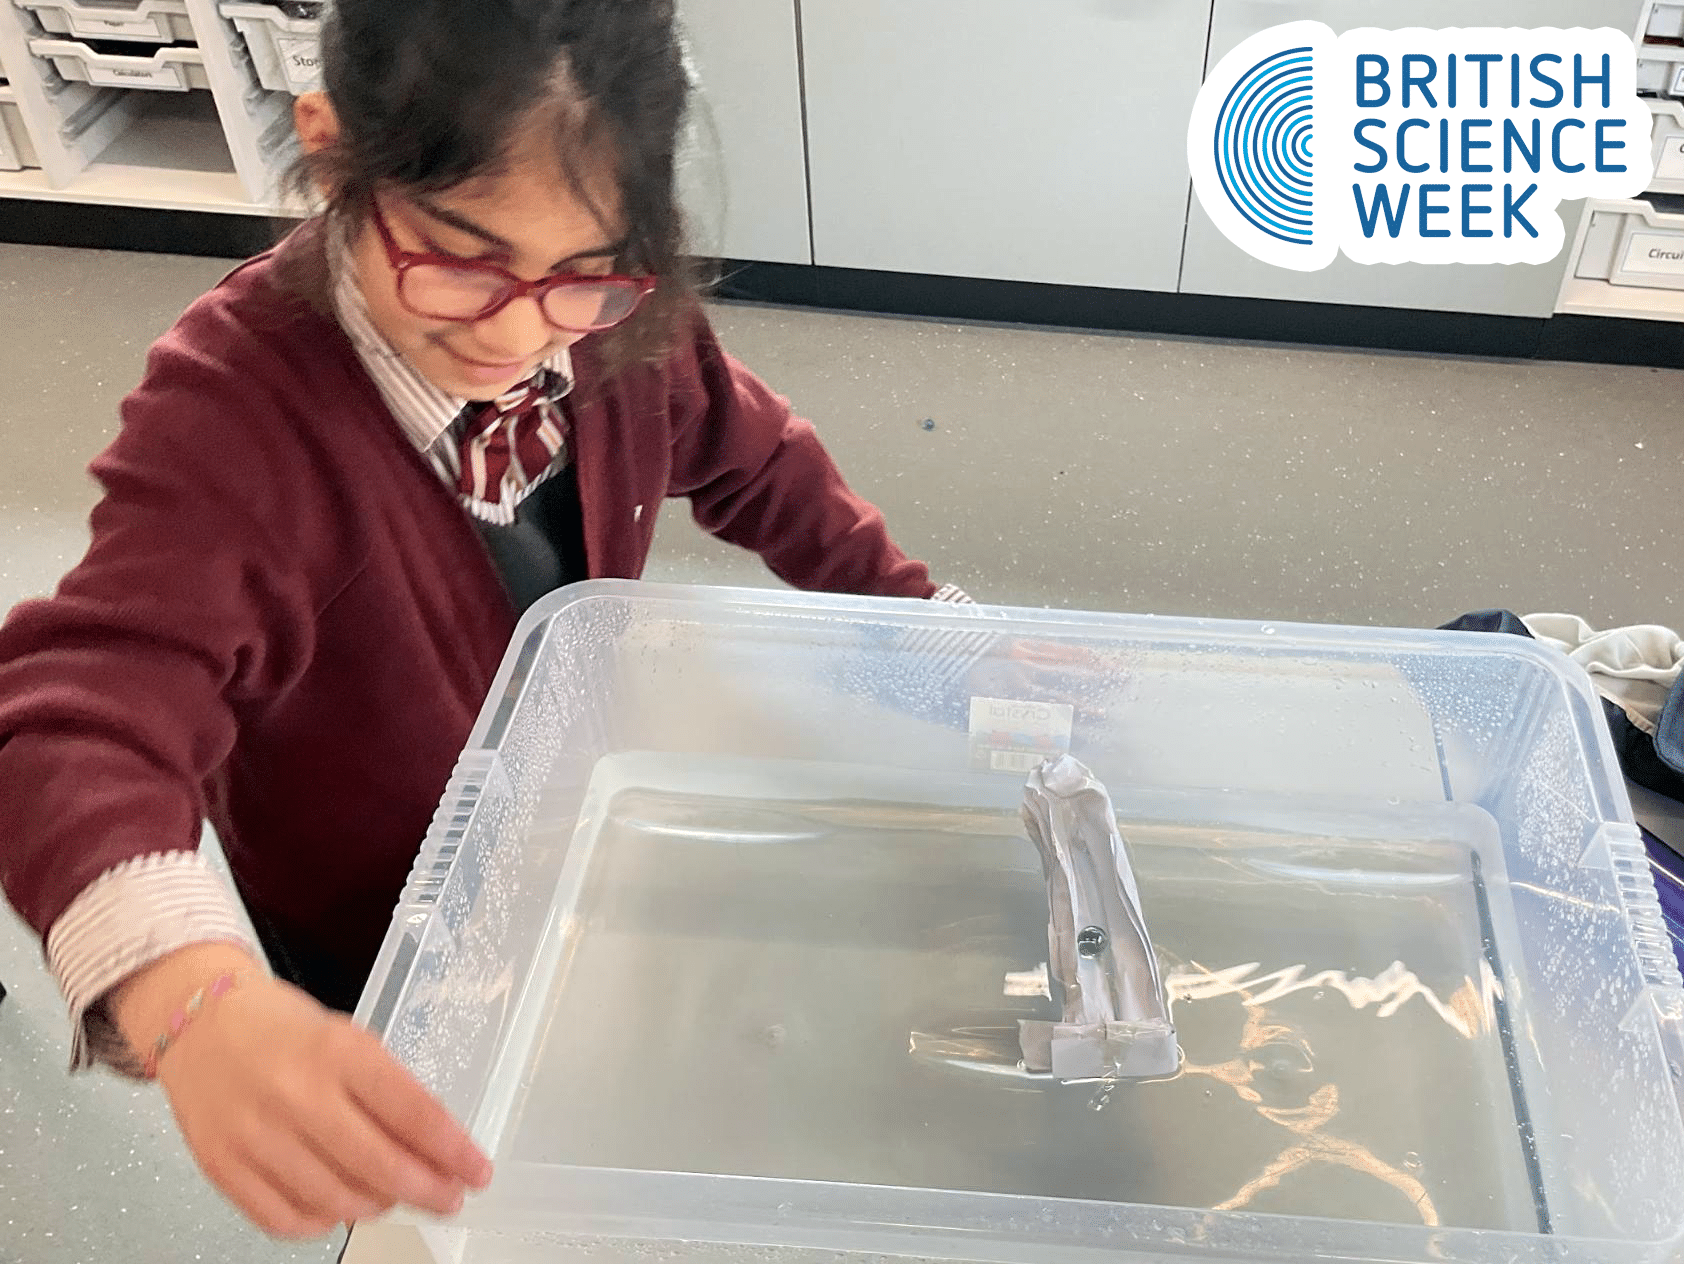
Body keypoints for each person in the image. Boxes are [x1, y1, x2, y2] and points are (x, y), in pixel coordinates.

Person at [0, 0, 967, 1240]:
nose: (514, 335)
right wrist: (189, 996)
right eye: (457, 257)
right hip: (381, 899)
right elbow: (72, 724)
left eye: (582, 275)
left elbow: (754, 458)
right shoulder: (232, 414)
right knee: (448, 1166)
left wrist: (937, 632)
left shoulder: (609, 325)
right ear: (331, 148)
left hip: (567, 809)